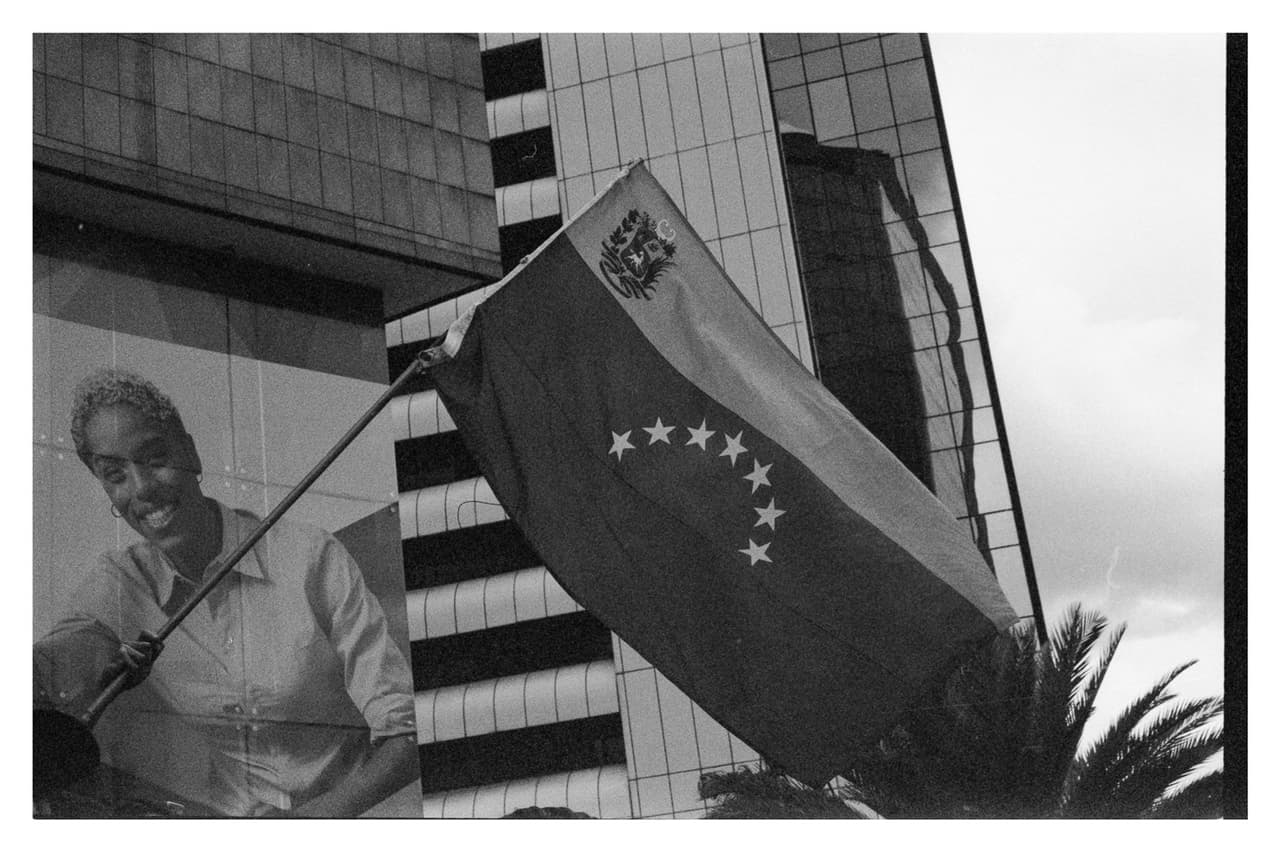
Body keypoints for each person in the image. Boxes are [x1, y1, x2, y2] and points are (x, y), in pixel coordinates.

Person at [35, 368, 418, 817]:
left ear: (191, 454)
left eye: (155, 458)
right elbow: (49, 666)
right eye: (115, 474)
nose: (142, 489)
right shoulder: (117, 583)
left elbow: (407, 732)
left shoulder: (310, 557)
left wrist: (311, 825)